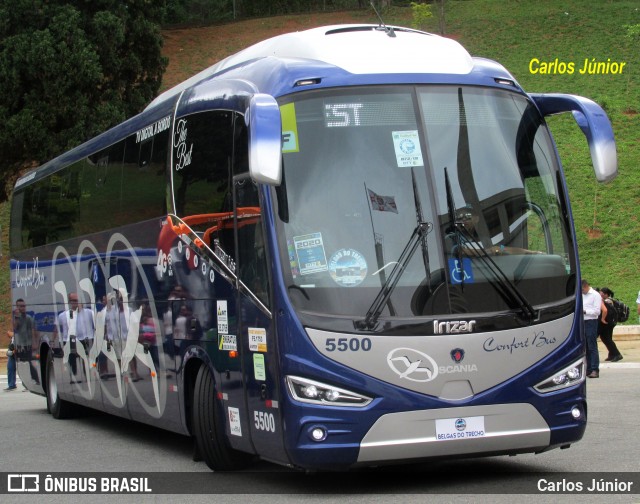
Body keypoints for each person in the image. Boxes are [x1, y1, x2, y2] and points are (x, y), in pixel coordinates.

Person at [12, 298, 39, 385]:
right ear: (17, 307)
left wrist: (35, 343)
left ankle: (35, 379)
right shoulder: (16, 318)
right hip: (20, 344)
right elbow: (15, 328)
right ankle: (15, 382)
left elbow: (33, 331)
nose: (23, 308)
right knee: (18, 363)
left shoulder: (28, 318)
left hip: (28, 344)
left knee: (31, 362)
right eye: (21, 306)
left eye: (24, 306)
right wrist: (16, 317)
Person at [582, 279, 601, 378]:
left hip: (591, 321)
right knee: (585, 346)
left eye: (582, 289)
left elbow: (597, 311)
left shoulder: (595, 295)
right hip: (582, 321)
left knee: (592, 345)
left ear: (585, 286)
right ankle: (588, 368)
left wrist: (585, 311)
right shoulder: (581, 295)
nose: (582, 292)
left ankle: (594, 369)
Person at [599, 287, 623, 362]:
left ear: (606, 294)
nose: (600, 294)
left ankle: (617, 354)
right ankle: (612, 354)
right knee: (608, 338)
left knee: (606, 338)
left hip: (607, 322)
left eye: (602, 293)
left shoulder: (608, 301)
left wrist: (602, 319)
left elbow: (606, 311)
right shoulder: (610, 300)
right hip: (610, 322)